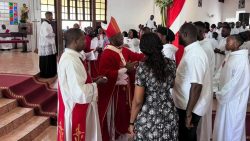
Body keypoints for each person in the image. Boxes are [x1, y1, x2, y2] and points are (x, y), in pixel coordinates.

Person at [98, 17, 144, 141]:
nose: (121, 38)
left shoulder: (123, 50)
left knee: (126, 112)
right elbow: (104, 74)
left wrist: (150, 54)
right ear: (112, 39)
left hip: (126, 90)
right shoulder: (107, 53)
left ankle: (125, 132)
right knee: (117, 115)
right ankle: (115, 135)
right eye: (119, 36)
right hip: (114, 93)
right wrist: (125, 69)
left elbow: (138, 56)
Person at [57, 28, 107, 141]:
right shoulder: (71, 61)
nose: (86, 42)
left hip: (76, 105)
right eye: (83, 39)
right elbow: (80, 92)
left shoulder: (72, 56)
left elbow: (77, 81)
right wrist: (96, 84)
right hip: (77, 108)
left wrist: (93, 80)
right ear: (75, 41)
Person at [128, 33, 178, 140]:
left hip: (149, 117)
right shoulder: (171, 64)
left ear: (143, 49)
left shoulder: (143, 68)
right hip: (168, 113)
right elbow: (172, 84)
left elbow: (138, 100)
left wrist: (131, 122)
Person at [172, 23, 211, 141]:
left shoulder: (195, 54)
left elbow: (196, 86)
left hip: (190, 107)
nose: (177, 37)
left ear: (185, 34)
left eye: (179, 35)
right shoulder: (191, 50)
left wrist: (188, 114)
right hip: (186, 104)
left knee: (186, 137)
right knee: (186, 136)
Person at [213, 34, 250, 141]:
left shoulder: (242, 60)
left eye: (228, 41)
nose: (225, 43)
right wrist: (215, 87)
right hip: (225, 97)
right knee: (222, 127)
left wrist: (221, 93)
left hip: (234, 100)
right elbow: (221, 72)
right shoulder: (230, 55)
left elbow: (236, 83)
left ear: (236, 44)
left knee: (232, 127)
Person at [194, 21, 215, 141]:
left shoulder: (205, 47)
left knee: (201, 120)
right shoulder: (200, 45)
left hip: (202, 87)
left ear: (201, 32)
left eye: (194, 30)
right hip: (201, 86)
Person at [38, 11, 57, 78]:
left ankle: (51, 72)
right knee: (47, 60)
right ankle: (46, 74)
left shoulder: (48, 24)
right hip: (46, 44)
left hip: (49, 44)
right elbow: (47, 34)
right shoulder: (44, 24)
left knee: (50, 59)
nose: (52, 17)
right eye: (51, 16)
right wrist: (54, 34)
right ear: (48, 16)